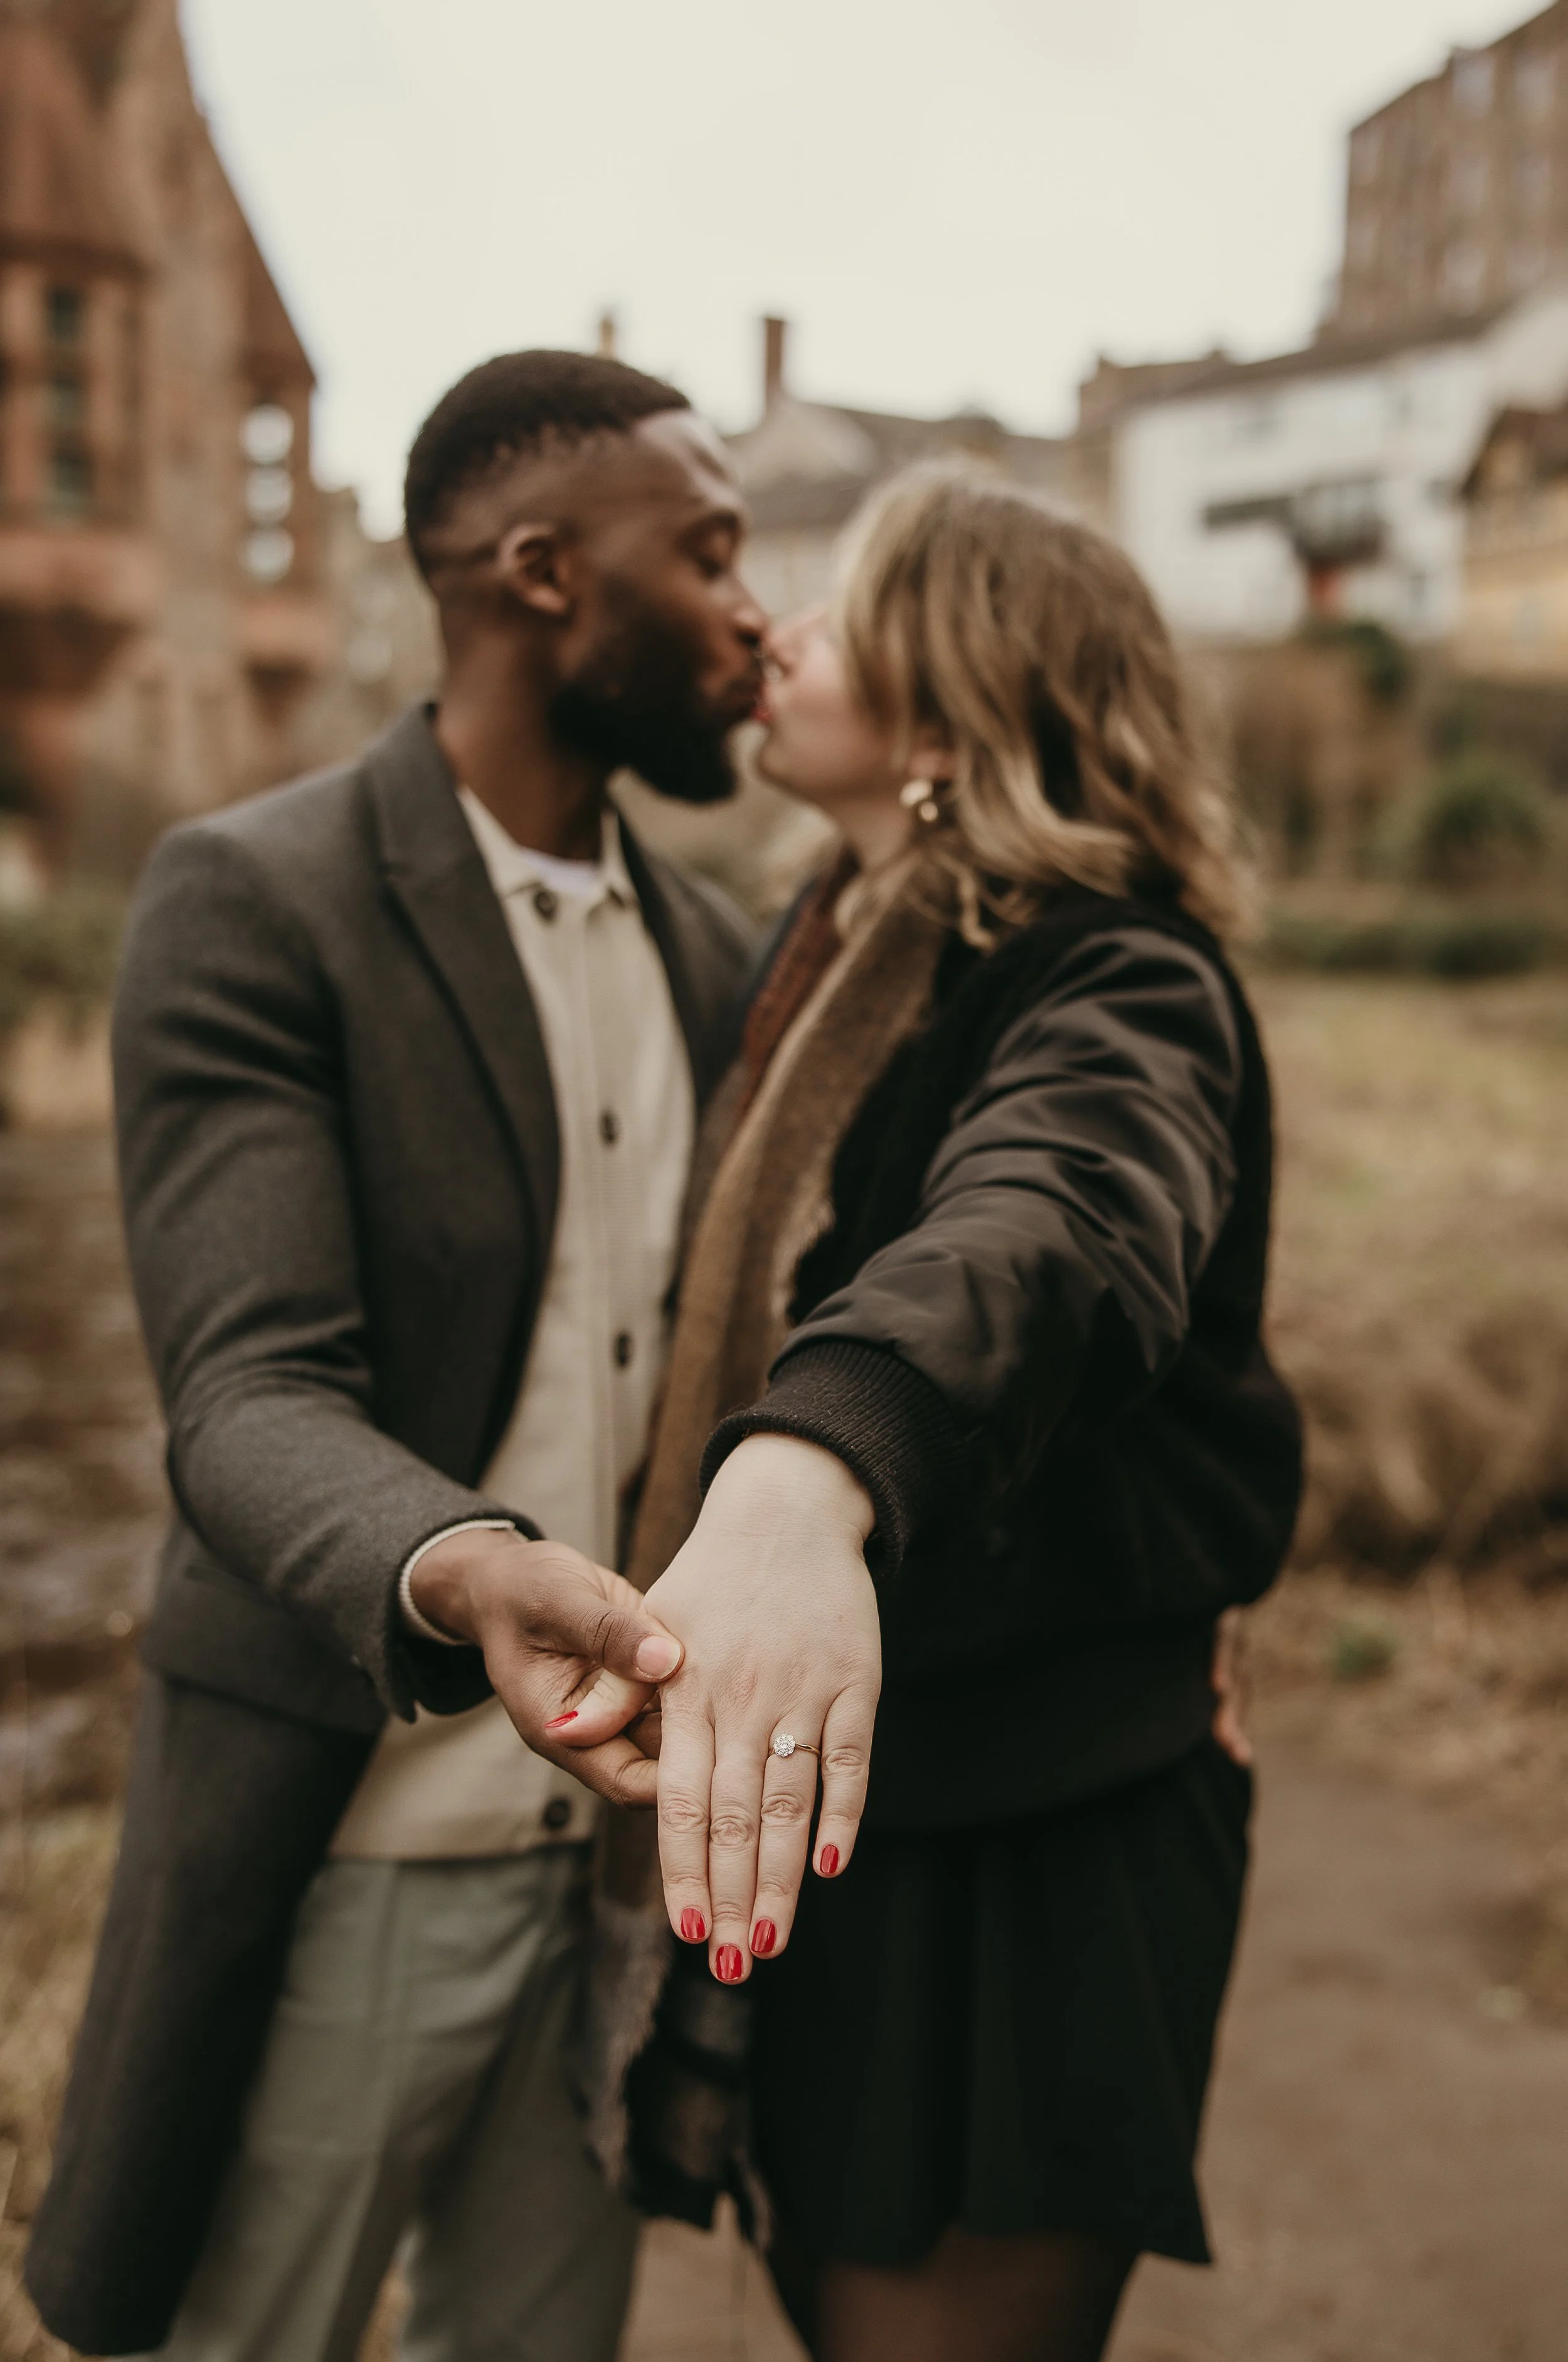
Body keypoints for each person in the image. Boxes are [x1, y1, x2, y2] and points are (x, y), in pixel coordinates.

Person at [25, 350, 767, 2362]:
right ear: (539, 575)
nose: (749, 608)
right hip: (342, 1853)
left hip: (606, 1887)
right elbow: (246, 1400)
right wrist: (459, 1566)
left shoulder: (719, 957)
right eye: (704, 552)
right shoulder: (255, 900)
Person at [607, 467, 1303, 2362]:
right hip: (872, 1810)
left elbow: (1054, 1219)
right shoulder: (820, 953)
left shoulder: (1118, 973)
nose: (776, 636)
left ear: (943, 710)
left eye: (836, 614)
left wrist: (812, 1459)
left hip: (1039, 1842)